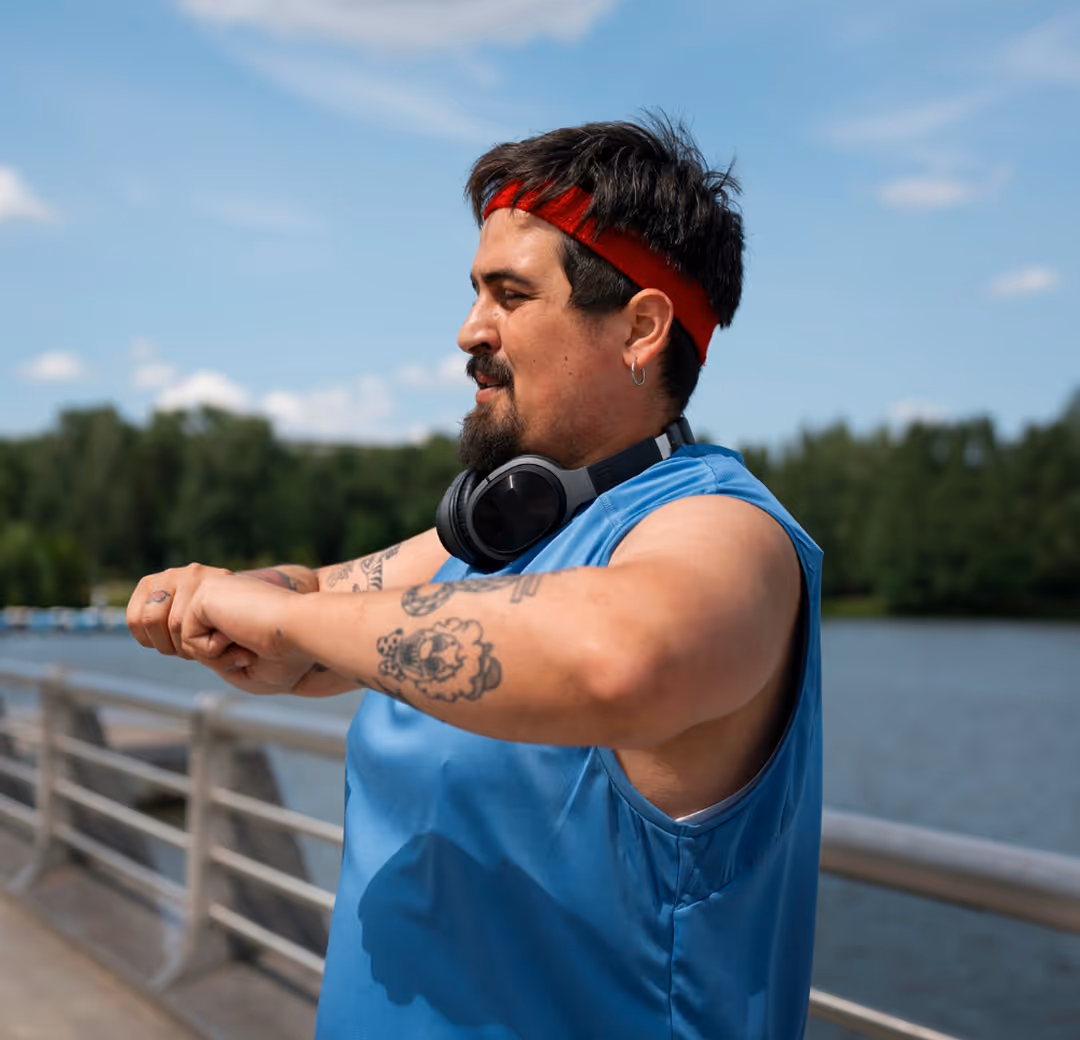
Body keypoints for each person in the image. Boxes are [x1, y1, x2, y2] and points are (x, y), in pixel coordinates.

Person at [128, 116, 823, 1039]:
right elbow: (314, 603)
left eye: (510, 294)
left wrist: (287, 624)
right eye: (474, 292)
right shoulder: (495, 535)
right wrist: (225, 596)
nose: (468, 331)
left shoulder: (726, 532)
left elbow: (621, 660)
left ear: (642, 329)